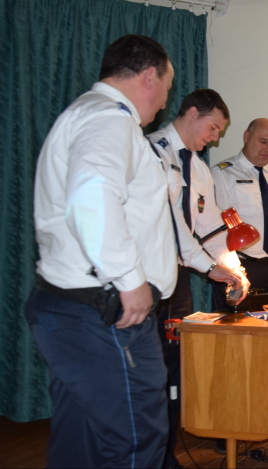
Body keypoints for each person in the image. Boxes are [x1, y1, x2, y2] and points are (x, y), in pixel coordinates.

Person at [25, 35, 177, 468]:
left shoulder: (83, 113)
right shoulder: (111, 119)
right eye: (166, 88)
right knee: (136, 439)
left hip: (71, 306)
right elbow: (92, 195)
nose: (163, 102)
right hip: (107, 312)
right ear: (149, 77)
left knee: (82, 440)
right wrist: (130, 280)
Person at [147, 89, 248, 469]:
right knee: (150, 373)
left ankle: (167, 452)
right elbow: (171, 227)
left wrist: (234, 270)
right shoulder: (152, 152)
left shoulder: (200, 169)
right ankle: (148, 455)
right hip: (147, 278)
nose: (215, 138)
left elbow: (211, 229)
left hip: (180, 280)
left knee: (175, 368)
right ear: (192, 113)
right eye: (213, 128)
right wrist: (209, 269)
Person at [211, 118, 268, 302]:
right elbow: (216, 228)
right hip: (240, 266)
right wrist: (233, 269)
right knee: (235, 320)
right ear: (246, 137)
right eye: (263, 141)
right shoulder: (223, 174)